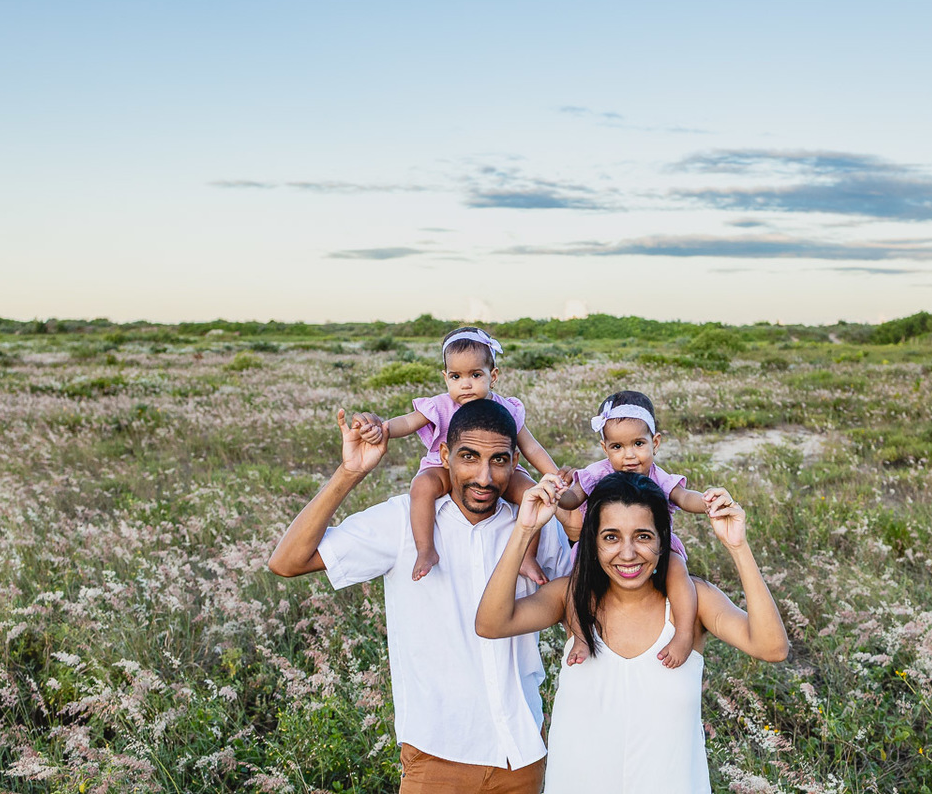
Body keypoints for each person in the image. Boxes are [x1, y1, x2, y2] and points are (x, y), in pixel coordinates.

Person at [268, 399, 573, 793]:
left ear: (516, 462)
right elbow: (287, 561)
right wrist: (350, 472)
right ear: (444, 455)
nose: (484, 476)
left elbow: (574, 614)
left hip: (522, 750)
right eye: (468, 457)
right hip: (437, 754)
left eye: (499, 460)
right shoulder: (402, 521)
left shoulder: (538, 524)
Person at [475, 471, 790, 794]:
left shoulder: (692, 605)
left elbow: (772, 648)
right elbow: (491, 623)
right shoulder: (572, 598)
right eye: (611, 537)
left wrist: (738, 547)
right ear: (593, 541)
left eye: (643, 536)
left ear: (662, 539)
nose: (627, 553)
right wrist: (526, 529)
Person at [358, 327, 563, 583]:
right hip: (442, 468)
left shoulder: (506, 408)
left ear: (493, 375)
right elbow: (409, 422)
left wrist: (554, 476)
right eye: (456, 376)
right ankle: (426, 550)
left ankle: (527, 556)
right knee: (421, 486)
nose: (465, 384)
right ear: (445, 377)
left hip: (499, 470)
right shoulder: (441, 405)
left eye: (475, 375)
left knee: (531, 495)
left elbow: (531, 447)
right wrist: (382, 428)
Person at [555, 390, 722, 668]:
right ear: (605, 447)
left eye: (638, 444)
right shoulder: (598, 472)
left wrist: (707, 502)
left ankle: (683, 634)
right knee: (577, 582)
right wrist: (557, 494)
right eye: (617, 447)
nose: (629, 455)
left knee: (678, 568)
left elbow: (683, 497)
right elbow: (574, 498)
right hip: (602, 547)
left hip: (652, 547)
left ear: (655, 443)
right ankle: (581, 636)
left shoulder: (659, 476)